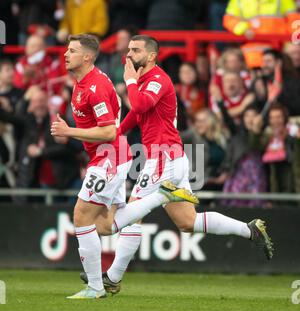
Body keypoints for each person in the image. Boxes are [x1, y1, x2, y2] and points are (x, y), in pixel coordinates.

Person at [80, 35, 274, 295]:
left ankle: (112, 278)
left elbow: (139, 104)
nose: (129, 54)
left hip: (164, 158)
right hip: (170, 157)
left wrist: (128, 80)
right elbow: (138, 113)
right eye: (128, 50)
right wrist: (118, 133)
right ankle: (249, 230)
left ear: (151, 56)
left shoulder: (158, 79)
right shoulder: (146, 81)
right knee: (187, 222)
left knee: (130, 217)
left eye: (135, 50)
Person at [50, 34, 197, 299]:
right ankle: (107, 280)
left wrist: (69, 131)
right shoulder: (82, 83)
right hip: (108, 156)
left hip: (111, 156)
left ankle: (96, 287)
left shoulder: (96, 87)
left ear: (87, 57)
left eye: (71, 50)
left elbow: (108, 132)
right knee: (106, 226)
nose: (65, 54)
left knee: (82, 216)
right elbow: (124, 121)